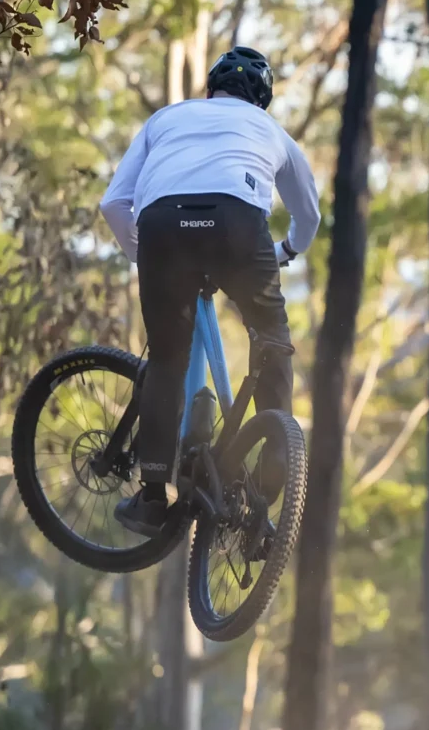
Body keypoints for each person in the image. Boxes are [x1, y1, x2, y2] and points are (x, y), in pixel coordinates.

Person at [97, 46, 319, 535]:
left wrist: (148, 259)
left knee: (167, 362)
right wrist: (287, 250)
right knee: (271, 337)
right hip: (237, 223)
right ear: (262, 101)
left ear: (209, 90)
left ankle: (153, 495)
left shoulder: (166, 119)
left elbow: (114, 202)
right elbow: (309, 216)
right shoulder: (270, 131)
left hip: (161, 227)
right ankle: (276, 459)